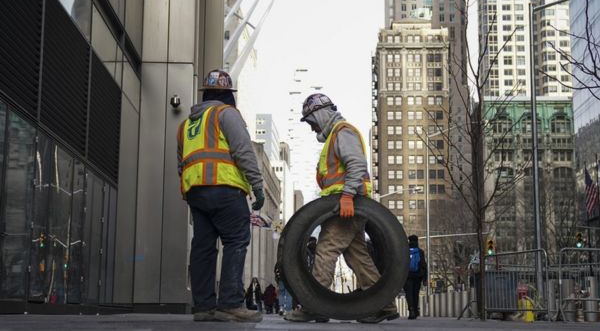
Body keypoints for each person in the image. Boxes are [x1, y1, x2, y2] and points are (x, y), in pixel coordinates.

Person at [285, 93, 399, 324]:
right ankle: (384, 304)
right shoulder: (335, 136)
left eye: (311, 121)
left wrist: (347, 196)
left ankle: (312, 305)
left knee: (326, 250)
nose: (311, 127)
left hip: (345, 206)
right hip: (346, 206)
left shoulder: (342, 132)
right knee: (357, 255)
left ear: (320, 114)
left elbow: (356, 164)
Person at [177, 69, 265, 323]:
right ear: (228, 95)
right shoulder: (226, 114)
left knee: (203, 247)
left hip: (196, 193)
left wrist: (189, 192)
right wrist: (257, 187)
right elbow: (243, 151)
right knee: (236, 241)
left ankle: (203, 307)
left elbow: (181, 163)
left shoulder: (187, 124)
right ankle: (230, 304)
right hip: (225, 189)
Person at [404, 235, 427, 320]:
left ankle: (411, 310)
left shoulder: (405, 251)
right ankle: (416, 310)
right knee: (415, 294)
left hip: (407, 276)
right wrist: (425, 278)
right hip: (418, 276)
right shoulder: (420, 251)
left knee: (408, 294)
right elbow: (423, 265)